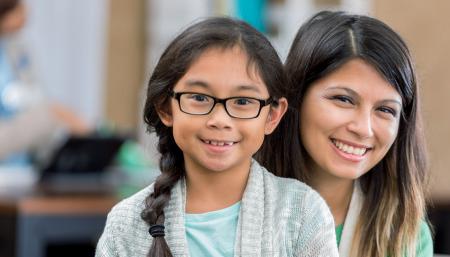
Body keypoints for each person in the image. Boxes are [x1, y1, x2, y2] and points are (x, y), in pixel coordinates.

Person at [96, 17, 338, 257]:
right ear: (166, 108)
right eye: (199, 98)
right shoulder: (126, 225)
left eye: (243, 101)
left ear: (272, 116)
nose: (220, 120)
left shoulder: (302, 213)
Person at [257, 11, 433, 257]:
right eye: (343, 99)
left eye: (385, 109)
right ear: (296, 97)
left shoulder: (406, 237)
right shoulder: (227, 209)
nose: (363, 128)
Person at [0, 0, 89, 162]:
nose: (26, 12)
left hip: (21, 156)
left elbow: (33, 92)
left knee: (58, 118)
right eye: (19, 10)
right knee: (54, 115)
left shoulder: (17, 48)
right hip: (6, 141)